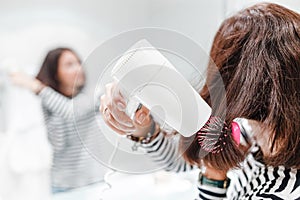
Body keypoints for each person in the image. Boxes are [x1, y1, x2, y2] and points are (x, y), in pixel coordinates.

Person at [100, 3, 300, 199]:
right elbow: (180, 161)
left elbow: (203, 163)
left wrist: (213, 178)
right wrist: (143, 128)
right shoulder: (254, 133)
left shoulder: (281, 191)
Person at [11, 47, 107, 193]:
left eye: (78, 62)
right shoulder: (49, 104)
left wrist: (36, 87)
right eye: (69, 65)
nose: (78, 68)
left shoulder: (93, 94)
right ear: (55, 73)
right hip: (61, 185)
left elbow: (70, 111)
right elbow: (58, 143)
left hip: (94, 182)